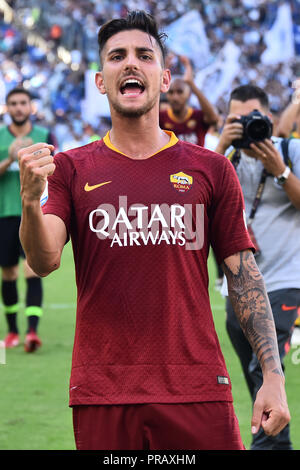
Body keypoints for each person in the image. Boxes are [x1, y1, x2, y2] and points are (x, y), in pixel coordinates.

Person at [18, 11, 290, 450]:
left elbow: (243, 276)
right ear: (100, 81)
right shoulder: (71, 168)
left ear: (163, 78)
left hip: (198, 386)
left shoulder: (211, 169)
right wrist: (31, 200)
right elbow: (44, 259)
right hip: (104, 391)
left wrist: (273, 376)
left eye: (144, 55)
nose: (130, 63)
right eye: (116, 56)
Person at [215, 84, 300, 450]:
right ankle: (278, 444)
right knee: (259, 379)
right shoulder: (219, 159)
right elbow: (193, 209)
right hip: (236, 286)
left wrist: (280, 172)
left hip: (283, 279)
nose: (248, 126)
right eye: (238, 119)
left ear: (270, 118)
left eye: (255, 119)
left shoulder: (291, 150)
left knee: (264, 370)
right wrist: (220, 147)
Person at [0, 87, 56, 352]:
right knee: (9, 273)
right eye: (14, 103)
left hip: (34, 214)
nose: (19, 107)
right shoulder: (0, 138)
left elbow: (56, 175)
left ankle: (32, 332)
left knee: (32, 269)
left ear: (30, 106)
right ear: (8, 108)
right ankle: (12, 332)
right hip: (5, 213)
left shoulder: (44, 137)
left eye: (23, 103)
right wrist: (10, 158)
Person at [159, 54, 219, 147]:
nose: (175, 97)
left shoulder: (198, 116)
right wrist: (161, 76)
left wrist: (191, 84)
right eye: (171, 92)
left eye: (180, 92)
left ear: (189, 94)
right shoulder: (161, 117)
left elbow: (214, 119)